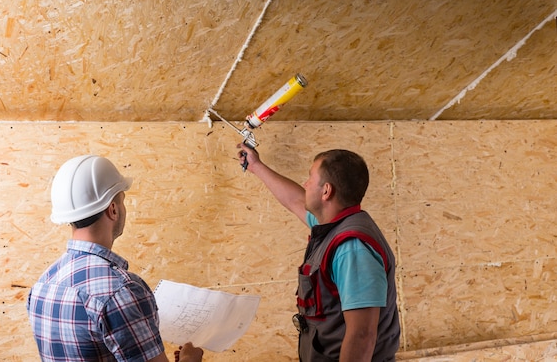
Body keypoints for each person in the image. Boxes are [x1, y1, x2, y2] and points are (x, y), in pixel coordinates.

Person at [27, 155, 203, 362]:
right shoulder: (121, 291)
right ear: (113, 209)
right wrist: (190, 358)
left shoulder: (44, 283)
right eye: (122, 201)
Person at [237, 144, 400, 362]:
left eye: (310, 178)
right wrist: (256, 166)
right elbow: (295, 200)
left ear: (326, 191)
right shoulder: (334, 225)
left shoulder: (352, 248)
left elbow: (362, 335)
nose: (305, 184)